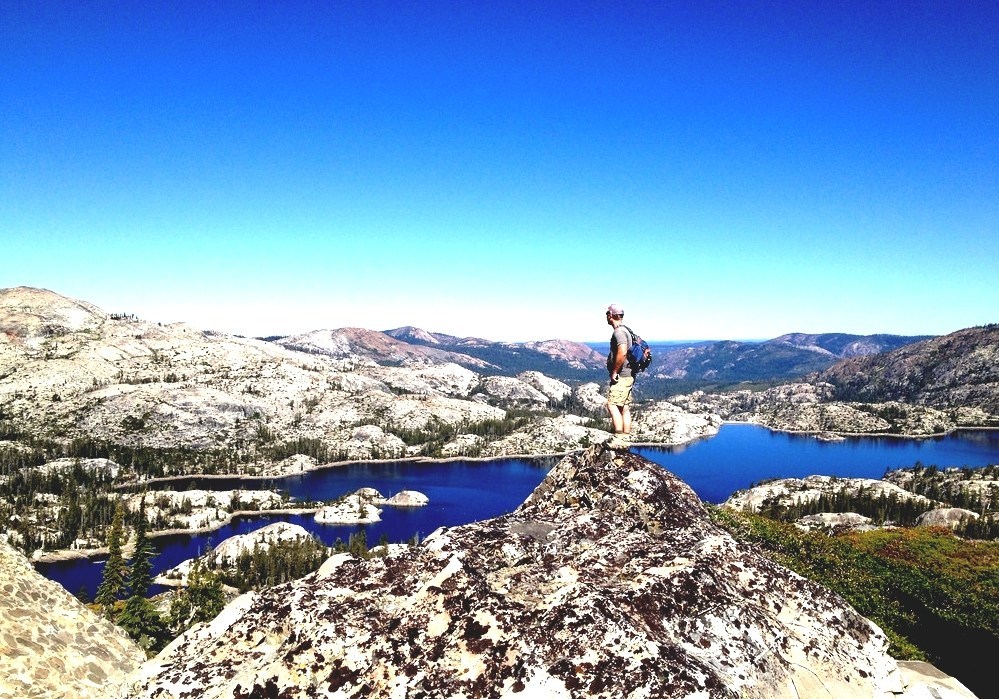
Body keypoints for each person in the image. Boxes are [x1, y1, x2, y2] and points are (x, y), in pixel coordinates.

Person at [605, 303, 635, 449]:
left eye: (607, 314)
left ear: (611, 315)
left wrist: (614, 372)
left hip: (622, 376)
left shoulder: (619, 332)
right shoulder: (626, 330)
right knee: (624, 407)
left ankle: (619, 439)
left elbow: (622, 352)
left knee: (612, 405)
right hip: (629, 375)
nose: (606, 316)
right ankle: (626, 439)